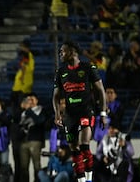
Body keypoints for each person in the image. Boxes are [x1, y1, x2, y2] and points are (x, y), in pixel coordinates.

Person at [53, 41, 107, 182]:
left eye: (63, 51)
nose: (61, 54)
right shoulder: (61, 72)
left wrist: (102, 113)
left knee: (84, 145)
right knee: (74, 149)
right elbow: (55, 96)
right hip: (70, 115)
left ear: (73, 52)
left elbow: (101, 91)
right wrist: (57, 114)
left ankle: (89, 178)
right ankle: (82, 180)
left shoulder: (89, 67)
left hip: (86, 111)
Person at [19, 93, 49, 182]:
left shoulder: (41, 110)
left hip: (35, 140)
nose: (30, 101)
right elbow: (18, 123)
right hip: (24, 140)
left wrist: (29, 111)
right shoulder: (24, 112)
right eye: (28, 99)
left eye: (32, 99)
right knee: (23, 167)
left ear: (37, 100)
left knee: (37, 166)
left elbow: (40, 121)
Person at [11, 39, 35, 115]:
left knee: (22, 107)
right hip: (18, 87)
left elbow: (28, 68)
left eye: (22, 46)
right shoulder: (23, 56)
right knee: (15, 106)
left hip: (24, 87)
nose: (20, 48)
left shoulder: (29, 56)